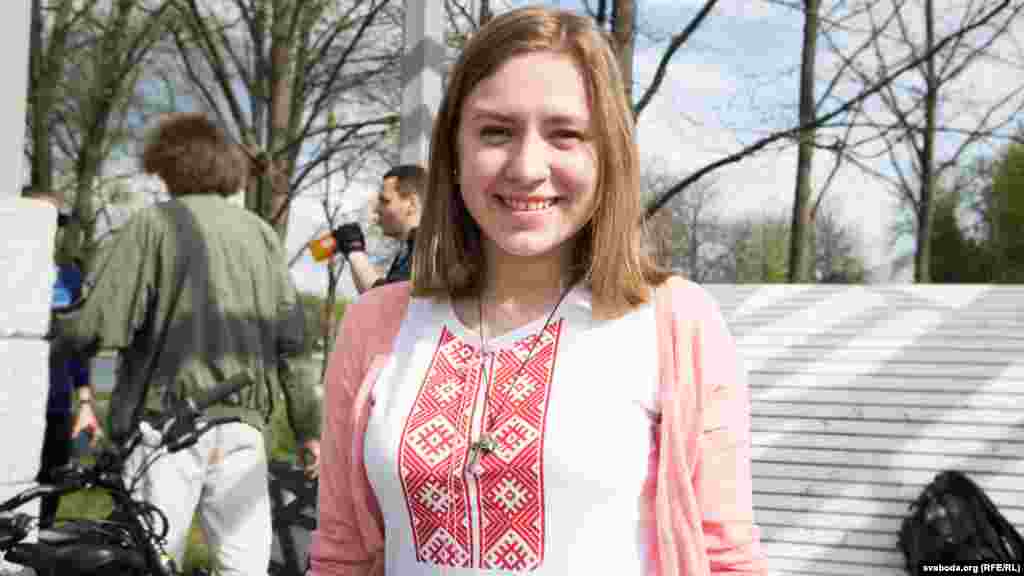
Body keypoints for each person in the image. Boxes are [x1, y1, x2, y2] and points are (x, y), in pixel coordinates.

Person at [309, 6, 767, 576]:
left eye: (565, 134)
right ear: (454, 153)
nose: (527, 167)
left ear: (609, 157)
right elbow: (341, 555)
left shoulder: (675, 323)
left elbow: (725, 559)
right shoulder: (377, 325)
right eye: (496, 132)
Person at [54, 112, 322, 576]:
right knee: (245, 569)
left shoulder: (153, 225)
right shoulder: (260, 234)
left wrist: (44, 327)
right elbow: (293, 344)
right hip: (244, 431)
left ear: (172, 167)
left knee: (149, 562)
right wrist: (308, 430)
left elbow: (97, 326)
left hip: (168, 428)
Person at [24, 188, 100, 528]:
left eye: (54, 222)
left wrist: (85, 400)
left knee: (50, 487)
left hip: (56, 402)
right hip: (13, 402)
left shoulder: (69, 276)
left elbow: (76, 344)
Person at [332, 164, 426, 293]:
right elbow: (373, 299)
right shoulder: (411, 250)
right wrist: (354, 252)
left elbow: (388, 301)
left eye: (385, 200)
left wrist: (354, 250)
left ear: (411, 204)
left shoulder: (428, 249)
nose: (377, 209)